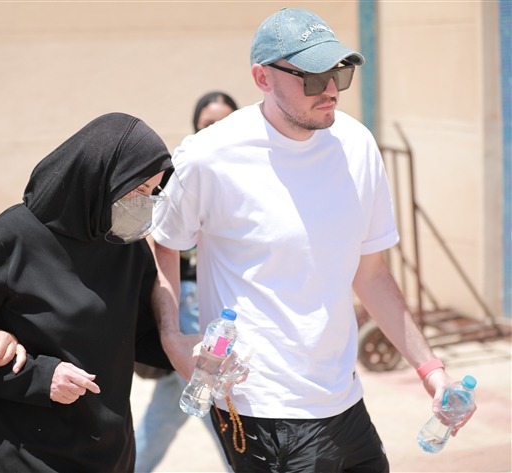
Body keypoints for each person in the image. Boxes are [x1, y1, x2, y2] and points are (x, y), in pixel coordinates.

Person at [150, 8, 475, 472]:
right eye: (314, 77)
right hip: (262, 409)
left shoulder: (357, 145)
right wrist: (173, 338)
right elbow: (163, 242)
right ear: (262, 78)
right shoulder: (208, 156)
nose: (331, 90)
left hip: (345, 400)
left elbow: (371, 274)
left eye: (339, 74)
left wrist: (431, 370)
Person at [0, 112, 175, 472]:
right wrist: (39, 377)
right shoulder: (8, 240)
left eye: (153, 192)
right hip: (29, 453)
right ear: (104, 176)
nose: (146, 202)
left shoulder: (126, 248)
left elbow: (136, 337)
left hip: (111, 453)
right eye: (140, 190)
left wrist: (195, 351)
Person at [133, 91, 238, 473]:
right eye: (209, 123)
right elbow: (156, 236)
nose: (217, 129)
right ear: (196, 127)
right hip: (190, 302)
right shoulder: (183, 173)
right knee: (211, 398)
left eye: (226, 121)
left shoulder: (250, 174)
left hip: (227, 303)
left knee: (168, 410)